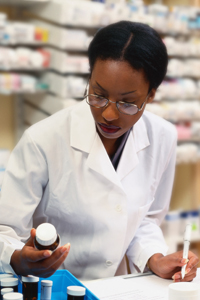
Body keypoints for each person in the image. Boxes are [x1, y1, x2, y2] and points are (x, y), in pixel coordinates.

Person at [0, 21, 199, 281]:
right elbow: (5, 230)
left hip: (117, 288)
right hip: (53, 286)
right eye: (97, 94)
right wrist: (19, 259)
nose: (108, 114)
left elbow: (146, 220)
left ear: (150, 95)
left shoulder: (162, 137)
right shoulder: (42, 140)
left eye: (127, 103)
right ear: (89, 77)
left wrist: (155, 258)